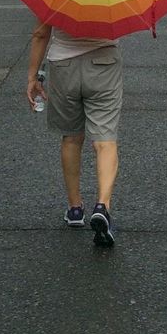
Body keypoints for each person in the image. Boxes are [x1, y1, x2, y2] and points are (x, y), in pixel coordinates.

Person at [27, 19, 122, 247]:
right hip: (105, 63)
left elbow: (41, 34)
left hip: (63, 65)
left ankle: (75, 208)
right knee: (105, 141)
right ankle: (102, 206)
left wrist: (33, 76)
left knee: (71, 137)